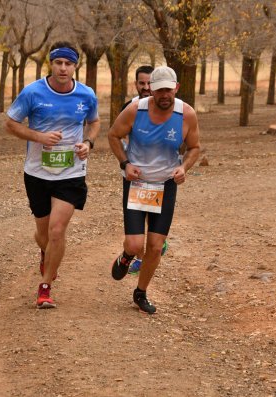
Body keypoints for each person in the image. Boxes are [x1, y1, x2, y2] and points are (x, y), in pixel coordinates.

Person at [4, 41, 100, 309]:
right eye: (58, 62)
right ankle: (46, 252)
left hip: (71, 171)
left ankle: (45, 287)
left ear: (75, 66)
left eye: (68, 63)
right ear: (51, 64)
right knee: (43, 234)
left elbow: (94, 122)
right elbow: (10, 124)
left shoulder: (86, 95)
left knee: (58, 230)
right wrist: (39, 136)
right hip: (37, 172)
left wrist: (88, 143)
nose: (63, 68)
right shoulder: (32, 92)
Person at [107, 66, 200, 314]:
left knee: (156, 246)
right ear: (151, 90)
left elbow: (194, 148)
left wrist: (184, 168)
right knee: (136, 244)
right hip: (137, 183)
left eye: (169, 89)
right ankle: (127, 256)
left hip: (166, 184)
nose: (164, 95)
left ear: (176, 88)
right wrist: (125, 164)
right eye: (159, 90)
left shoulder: (187, 114)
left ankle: (141, 292)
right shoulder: (135, 110)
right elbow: (114, 135)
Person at [119, 65, 169, 274]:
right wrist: (126, 162)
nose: (146, 87)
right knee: (140, 219)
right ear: (136, 84)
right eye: (142, 83)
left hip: (160, 175)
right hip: (136, 175)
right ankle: (138, 256)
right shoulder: (129, 107)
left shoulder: (170, 109)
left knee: (152, 215)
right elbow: (119, 136)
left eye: (150, 83)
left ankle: (154, 247)